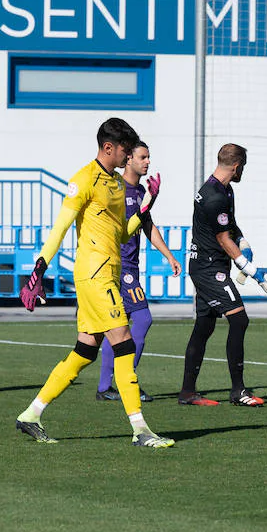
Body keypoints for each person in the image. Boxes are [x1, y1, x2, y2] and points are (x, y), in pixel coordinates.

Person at [14, 117, 174, 448]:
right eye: (126, 151)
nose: (129, 156)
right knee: (125, 344)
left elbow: (120, 234)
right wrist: (38, 270)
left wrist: (145, 207)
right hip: (95, 276)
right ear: (108, 148)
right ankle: (141, 430)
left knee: (84, 351)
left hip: (108, 273)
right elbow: (60, 227)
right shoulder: (83, 179)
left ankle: (31, 414)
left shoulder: (116, 185)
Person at [175, 143, 267, 408]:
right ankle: (238, 391)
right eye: (244, 169)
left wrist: (243, 242)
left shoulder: (223, 189)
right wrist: (250, 270)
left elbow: (230, 225)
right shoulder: (214, 195)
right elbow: (221, 236)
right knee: (239, 320)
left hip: (209, 265)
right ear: (237, 166)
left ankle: (187, 392)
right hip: (209, 269)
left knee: (204, 327)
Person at [96, 141, 181, 401]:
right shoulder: (117, 188)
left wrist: (169, 256)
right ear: (129, 158)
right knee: (142, 320)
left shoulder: (140, 190)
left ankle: (105, 387)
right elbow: (119, 227)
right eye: (142, 157)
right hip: (119, 266)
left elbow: (147, 225)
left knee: (115, 327)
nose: (147, 162)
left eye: (149, 157)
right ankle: (125, 381)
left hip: (131, 266)